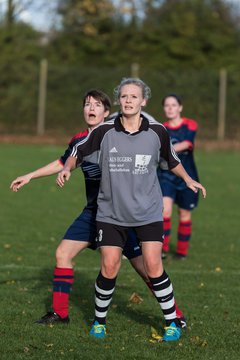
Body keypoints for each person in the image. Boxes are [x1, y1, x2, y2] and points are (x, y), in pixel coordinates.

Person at [10, 89, 186, 327]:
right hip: (94, 213)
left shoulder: (116, 134)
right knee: (63, 254)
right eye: (86, 104)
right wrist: (31, 175)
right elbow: (65, 162)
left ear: (106, 112)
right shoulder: (80, 140)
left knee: (146, 269)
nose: (90, 109)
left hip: (122, 213)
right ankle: (60, 313)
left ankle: (175, 315)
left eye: (96, 105)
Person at [57, 78, 206, 341]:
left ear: (143, 101)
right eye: (124, 96)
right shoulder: (103, 131)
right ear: (118, 100)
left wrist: (188, 179)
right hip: (110, 213)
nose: (128, 101)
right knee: (110, 266)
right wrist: (68, 169)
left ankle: (173, 321)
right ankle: (99, 322)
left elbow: (172, 160)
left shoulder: (157, 131)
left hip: (147, 212)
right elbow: (76, 153)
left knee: (153, 265)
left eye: (134, 97)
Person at [159, 94, 200, 259]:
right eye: (167, 105)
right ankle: (162, 249)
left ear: (180, 107)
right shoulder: (160, 128)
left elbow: (187, 144)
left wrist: (166, 150)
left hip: (187, 176)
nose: (170, 108)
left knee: (184, 214)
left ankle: (182, 252)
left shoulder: (190, 125)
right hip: (165, 175)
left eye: (173, 105)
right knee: (164, 211)